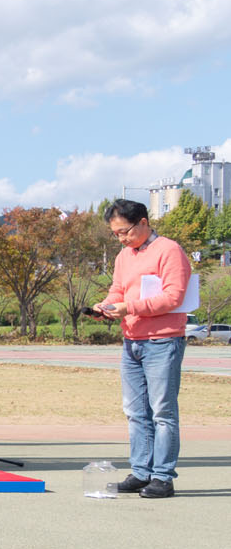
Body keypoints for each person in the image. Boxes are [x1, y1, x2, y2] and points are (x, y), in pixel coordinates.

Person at [96, 199, 192, 499]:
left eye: (125, 232)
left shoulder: (169, 250)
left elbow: (173, 297)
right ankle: (141, 472)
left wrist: (130, 307)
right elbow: (118, 290)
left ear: (143, 223)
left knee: (162, 411)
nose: (121, 239)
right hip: (132, 341)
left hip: (163, 340)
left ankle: (162, 476)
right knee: (135, 412)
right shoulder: (124, 256)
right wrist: (106, 306)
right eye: (115, 234)